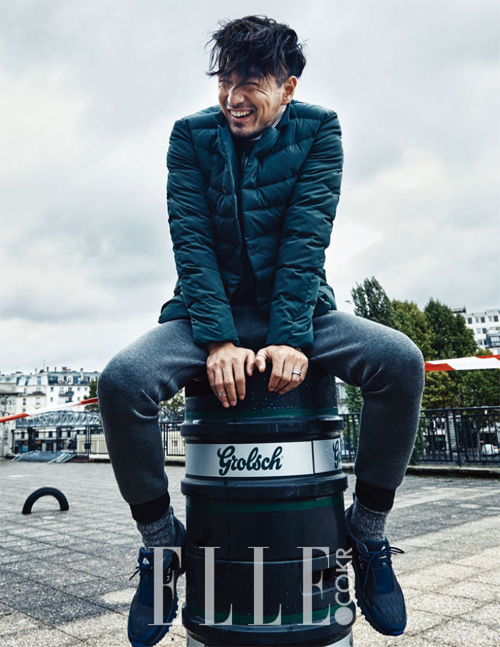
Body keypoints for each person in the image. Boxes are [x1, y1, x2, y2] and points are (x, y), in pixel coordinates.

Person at [97, 15, 425, 647]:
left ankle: (368, 532)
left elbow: (306, 237)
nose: (233, 97)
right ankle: (162, 547)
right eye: (225, 80)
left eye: (251, 82)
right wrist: (218, 339)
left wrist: (290, 337)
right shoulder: (189, 136)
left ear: (287, 87)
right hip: (203, 313)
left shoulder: (320, 130)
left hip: (300, 310)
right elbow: (191, 241)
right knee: (122, 381)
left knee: (401, 362)